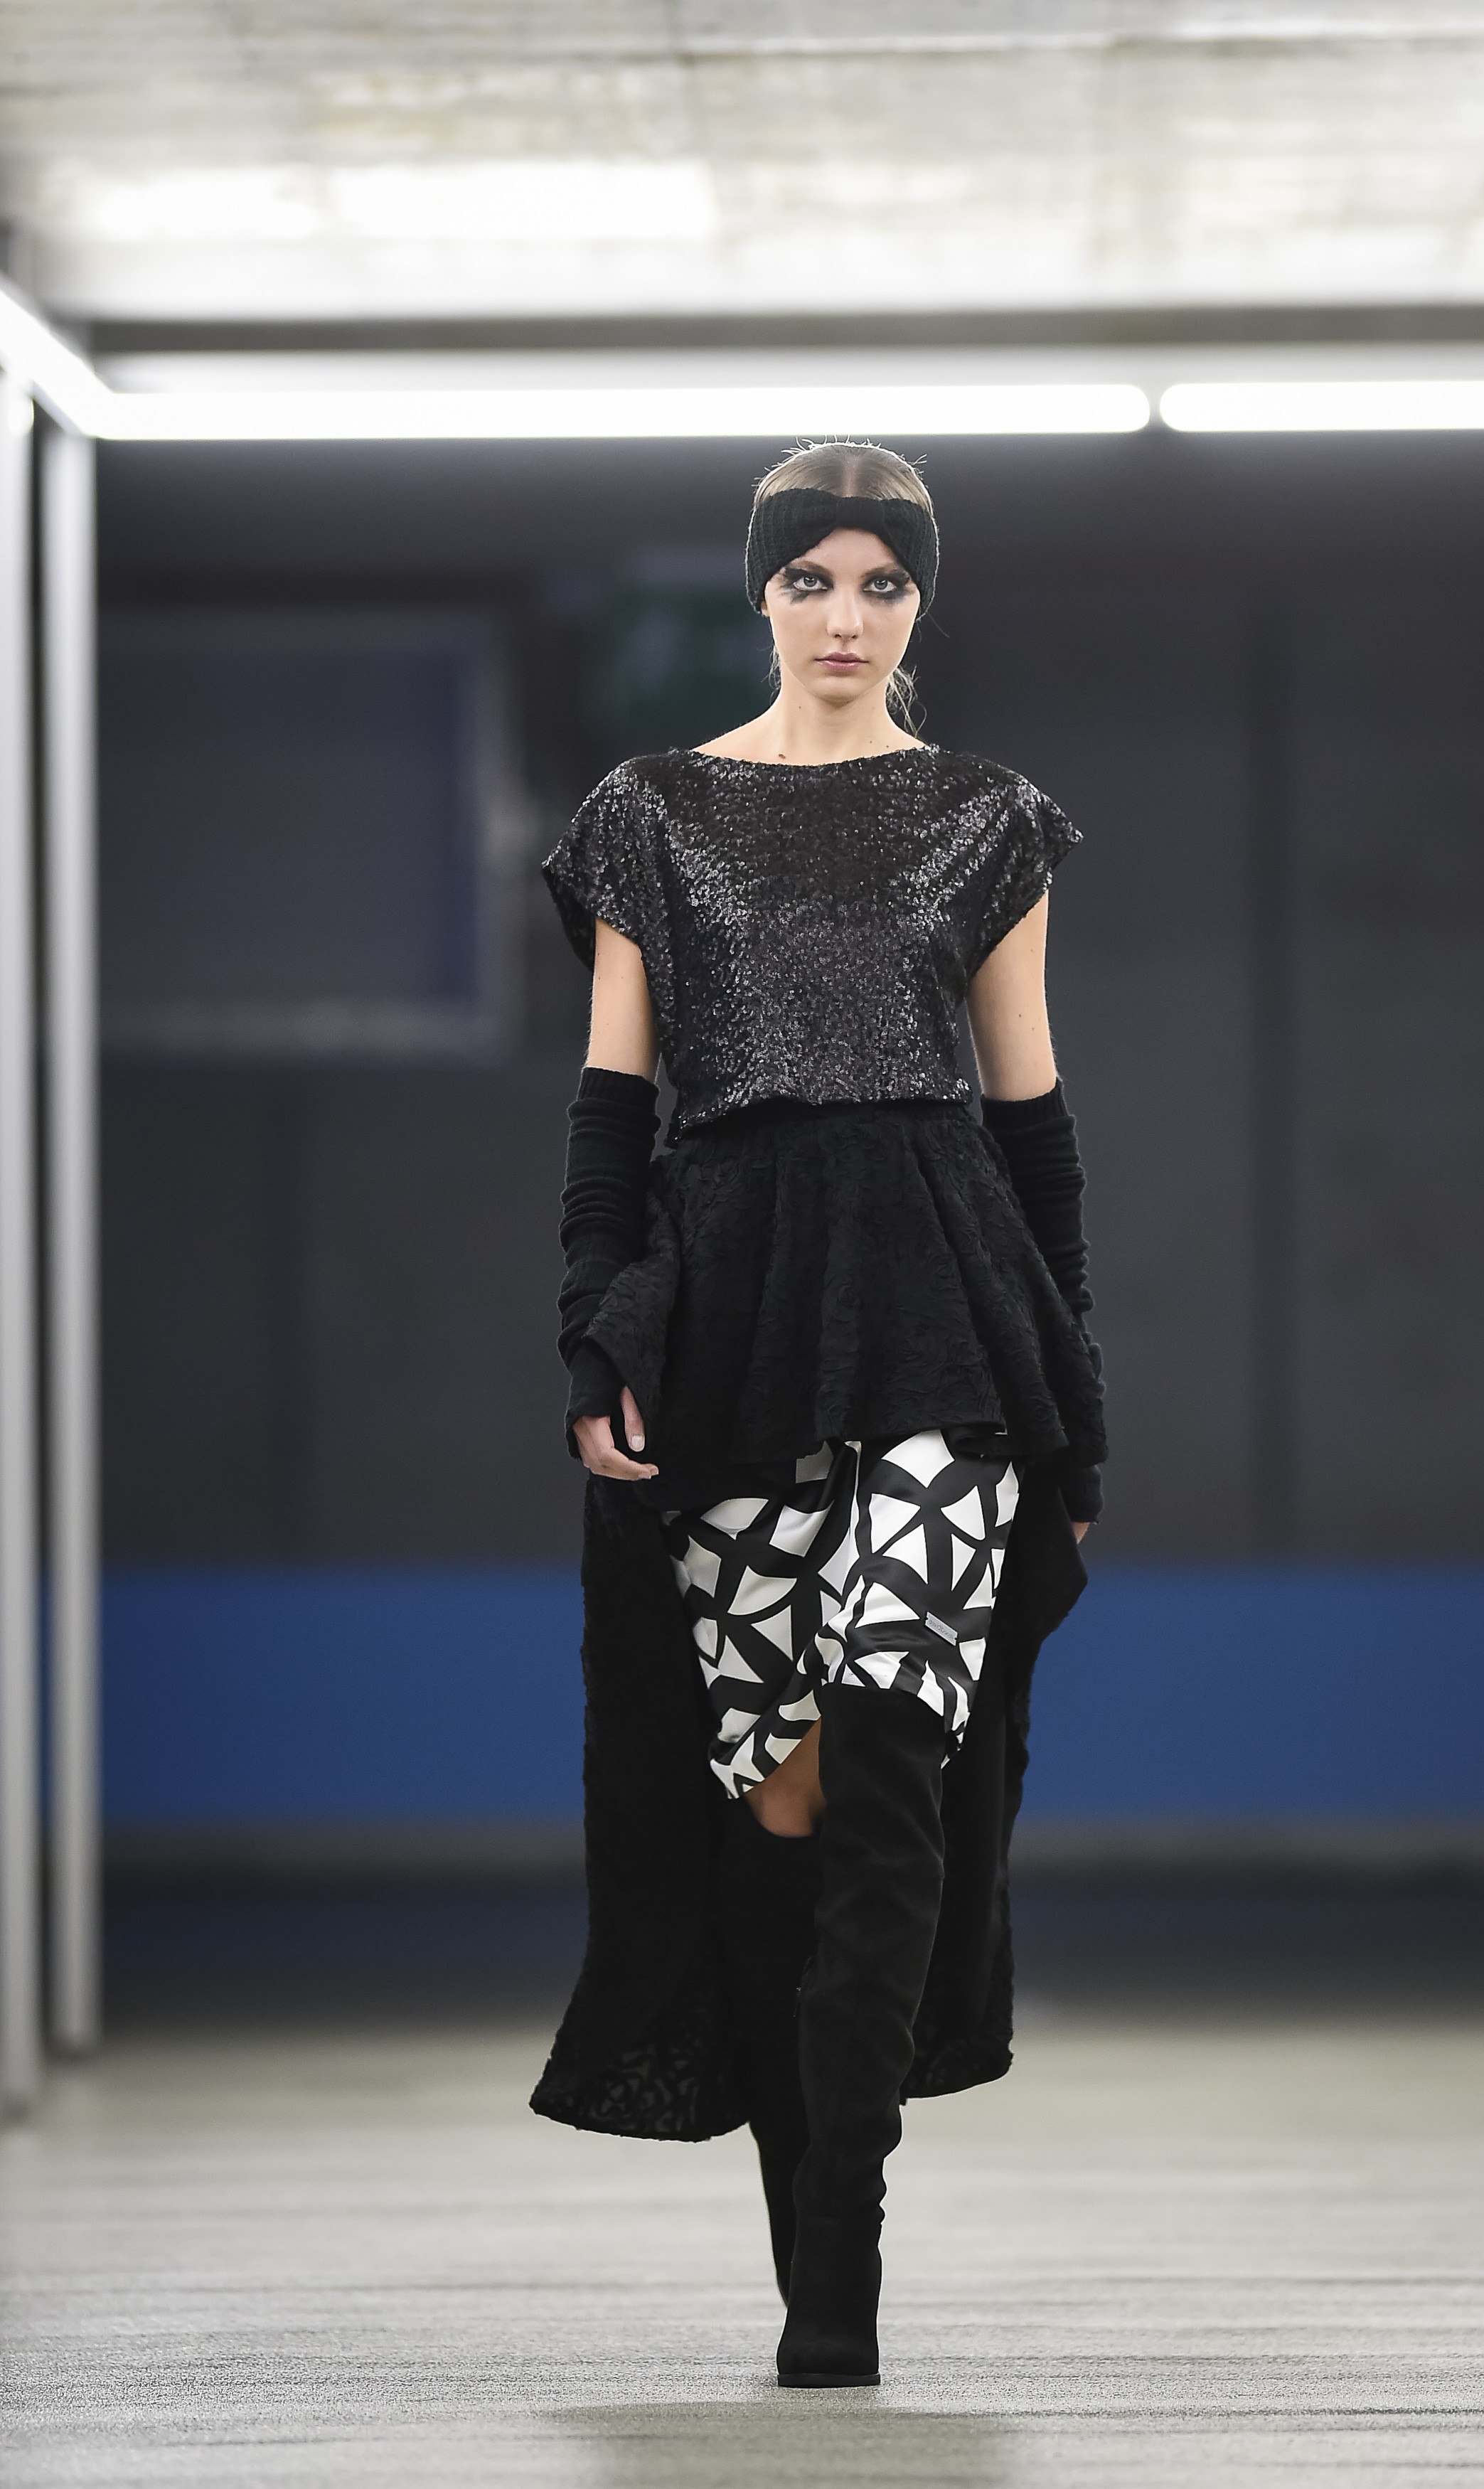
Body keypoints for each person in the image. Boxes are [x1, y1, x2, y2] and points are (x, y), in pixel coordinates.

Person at [531, 439, 1106, 2388]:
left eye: (883, 583)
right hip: (737, 1328)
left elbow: (1035, 1129)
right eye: (811, 581)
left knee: (889, 1757)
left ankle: (840, 2284)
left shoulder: (986, 820)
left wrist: (1077, 1408)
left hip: (945, 1318)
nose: (846, 618)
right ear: (761, 593)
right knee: (776, 1794)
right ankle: (807, 2246)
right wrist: (594, 1337)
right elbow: (612, 1113)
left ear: (920, 604)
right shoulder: (652, 814)